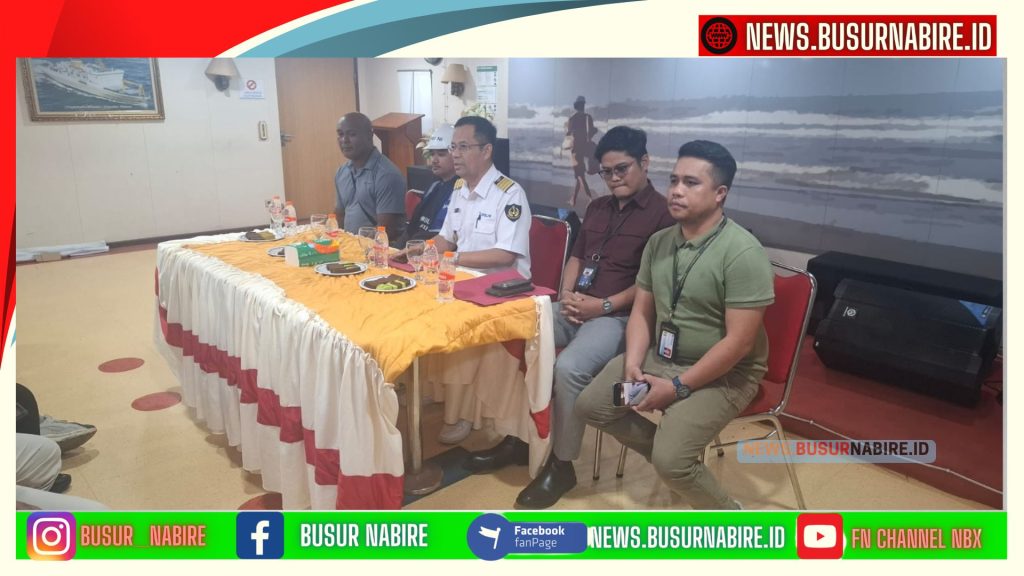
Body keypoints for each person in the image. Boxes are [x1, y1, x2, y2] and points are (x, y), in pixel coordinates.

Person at [575, 140, 774, 510]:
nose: (677, 191)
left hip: (723, 374)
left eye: (691, 183)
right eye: (674, 180)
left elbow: (739, 344)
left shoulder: (743, 253)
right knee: (594, 406)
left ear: (720, 193)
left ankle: (728, 516)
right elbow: (642, 312)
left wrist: (677, 387)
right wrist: (633, 363)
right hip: (660, 360)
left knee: (671, 462)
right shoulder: (659, 243)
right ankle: (675, 460)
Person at [431, 115, 533, 443]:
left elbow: (505, 256)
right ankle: (437, 389)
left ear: (486, 150)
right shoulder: (459, 189)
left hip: (503, 292)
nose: (455, 155)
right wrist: (422, 251)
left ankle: (462, 412)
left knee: (457, 321)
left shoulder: (509, 194)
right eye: (453, 147)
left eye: (463, 147)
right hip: (466, 282)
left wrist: (450, 258)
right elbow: (446, 238)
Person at [334, 112, 407, 239]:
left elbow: (385, 231)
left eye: (352, 134)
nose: (344, 140)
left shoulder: (387, 175)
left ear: (369, 135)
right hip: (348, 245)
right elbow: (339, 216)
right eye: (340, 134)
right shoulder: (342, 172)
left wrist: (356, 245)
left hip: (378, 247)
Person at [392, 124, 458, 247]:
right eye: (432, 154)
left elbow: (440, 236)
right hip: (413, 248)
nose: (434, 160)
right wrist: (394, 251)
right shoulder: (434, 187)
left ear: (457, 154)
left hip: (433, 251)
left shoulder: (461, 191)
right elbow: (411, 229)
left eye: (441, 154)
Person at [565, 95, 599, 206]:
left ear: (576, 106)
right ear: (583, 105)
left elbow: (568, 134)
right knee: (579, 175)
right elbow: (591, 133)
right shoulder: (588, 117)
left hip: (575, 150)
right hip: (585, 148)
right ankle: (573, 199)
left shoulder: (572, 119)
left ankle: (590, 198)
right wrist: (594, 131)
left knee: (579, 175)